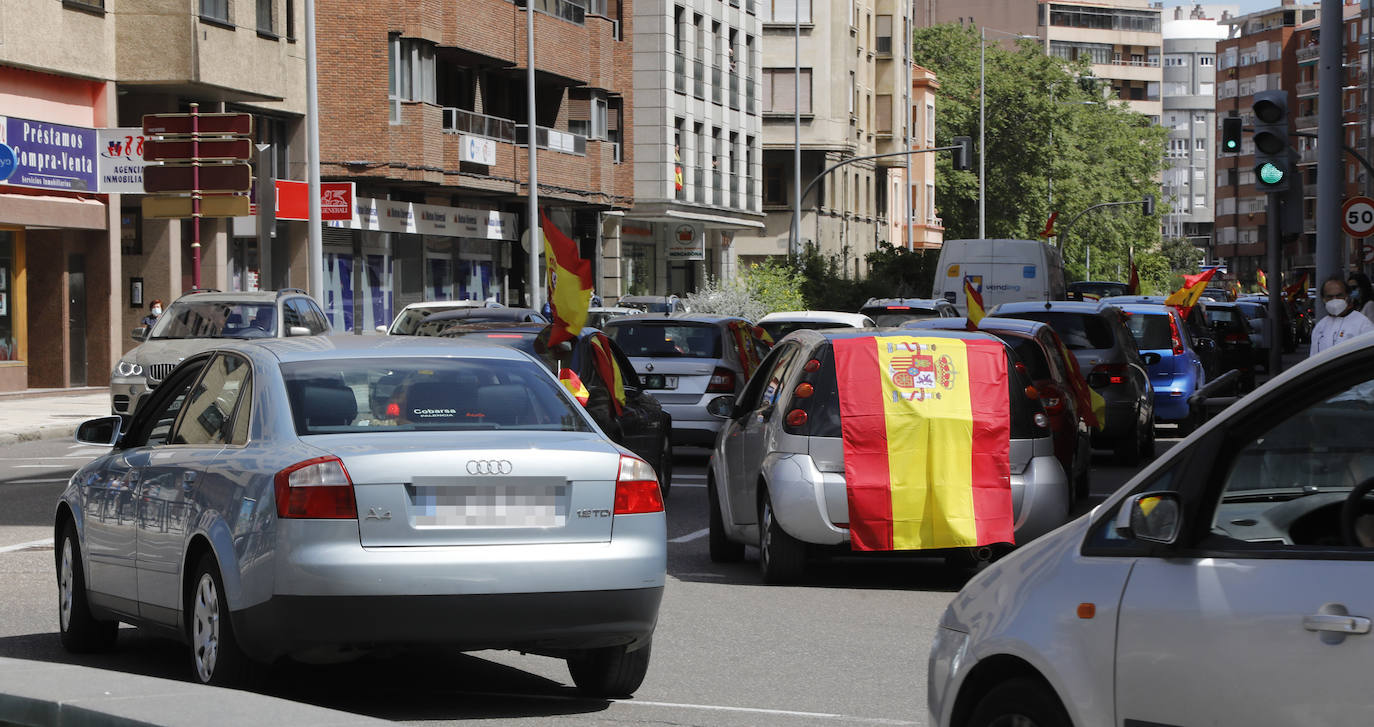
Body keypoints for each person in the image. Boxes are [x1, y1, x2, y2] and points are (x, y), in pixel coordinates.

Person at [1310, 276, 1374, 356]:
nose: (1335, 300)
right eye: (1330, 297)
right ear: (1323, 299)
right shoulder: (1320, 327)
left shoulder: (1362, 324)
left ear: (1347, 297)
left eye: (1339, 296)